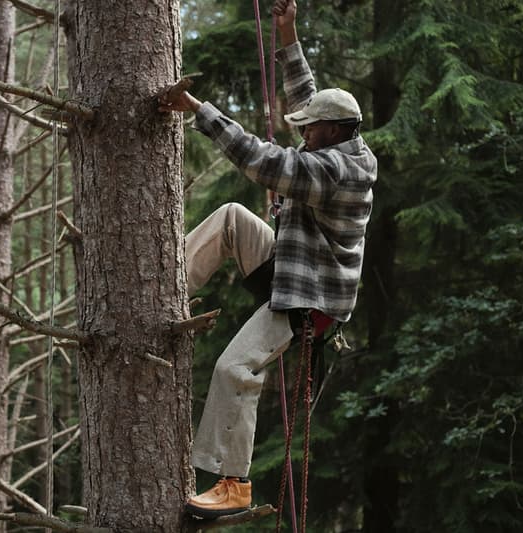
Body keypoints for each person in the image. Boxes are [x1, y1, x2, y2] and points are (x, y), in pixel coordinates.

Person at [159, 0, 377, 518]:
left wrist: (200, 112)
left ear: (336, 133)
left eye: (311, 130)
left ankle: (233, 484)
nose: (303, 131)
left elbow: (265, 161)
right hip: (291, 266)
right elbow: (311, 99)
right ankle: (163, 288)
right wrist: (288, 33)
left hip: (310, 299)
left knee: (235, 368)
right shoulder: (338, 136)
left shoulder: (337, 172)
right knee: (234, 217)